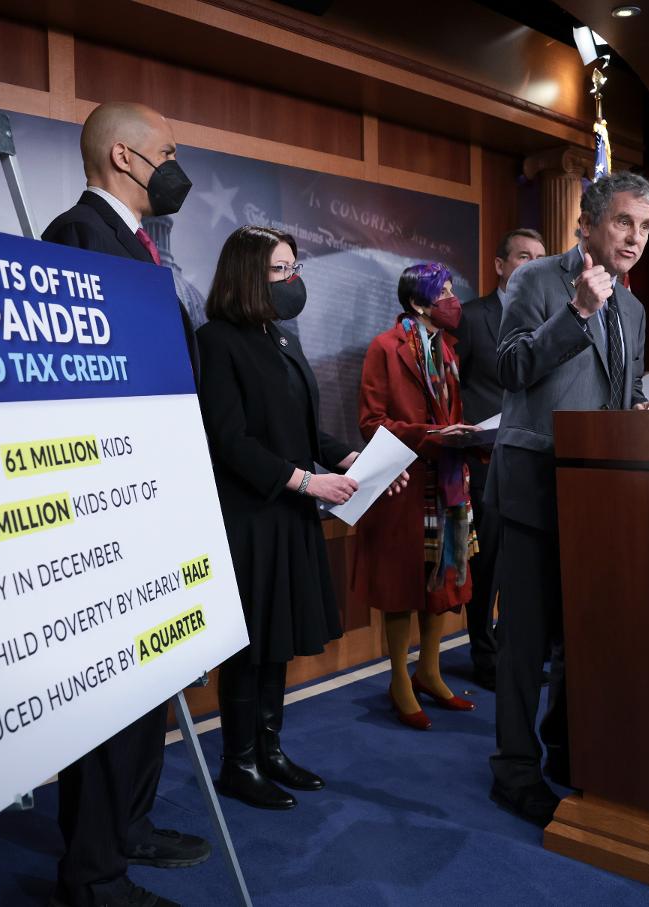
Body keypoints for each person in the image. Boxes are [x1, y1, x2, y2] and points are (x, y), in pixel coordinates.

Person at [42, 101, 207, 907]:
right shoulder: (78, 235)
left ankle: (124, 830)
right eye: (167, 152)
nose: (177, 167)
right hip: (109, 506)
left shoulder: (138, 245)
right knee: (109, 703)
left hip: (151, 496)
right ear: (122, 157)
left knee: (145, 699)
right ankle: (94, 877)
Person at [196, 225, 409, 809]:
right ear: (248, 276)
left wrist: (360, 460)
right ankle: (238, 763)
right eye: (282, 269)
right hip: (252, 518)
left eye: (295, 267)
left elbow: (304, 427)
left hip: (289, 515)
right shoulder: (218, 341)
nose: (295, 281)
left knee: (279, 640)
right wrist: (307, 481)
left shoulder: (280, 338)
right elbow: (228, 440)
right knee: (251, 648)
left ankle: (269, 749)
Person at [486, 172, 649, 827]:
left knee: (581, 640)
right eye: (624, 222)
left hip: (597, 493)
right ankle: (513, 768)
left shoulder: (635, 307)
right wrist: (577, 314)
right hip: (534, 484)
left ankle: (566, 749)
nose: (635, 238)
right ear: (586, 223)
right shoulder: (536, 282)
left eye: (645, 228)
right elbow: (506, 369)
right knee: (525, 643)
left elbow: (616, 391)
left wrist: (639, 408)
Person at [353, 262, 479, 730]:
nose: (452, 299)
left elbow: (454, 415)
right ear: (417, 303)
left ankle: (429, 670)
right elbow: (371, 422)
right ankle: (399, 680)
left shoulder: (448, 351)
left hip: (446, 481)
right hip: (403, 484)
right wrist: (433, 434)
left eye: (451, 289)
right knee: (401, 586)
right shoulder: (384, 348)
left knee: (443, 580)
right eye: (442, 292)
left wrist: (464, 438)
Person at [452, 228, 546, 690]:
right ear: (500, 265)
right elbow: (452, 388)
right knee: (487, 564)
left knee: (524, 566)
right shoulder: (472, 318)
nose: (531, 265)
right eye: (523, 256)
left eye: (540, 257)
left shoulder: (553, 316)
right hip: (485, 461)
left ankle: (518, 654)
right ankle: (484, 657)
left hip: (535, 459)